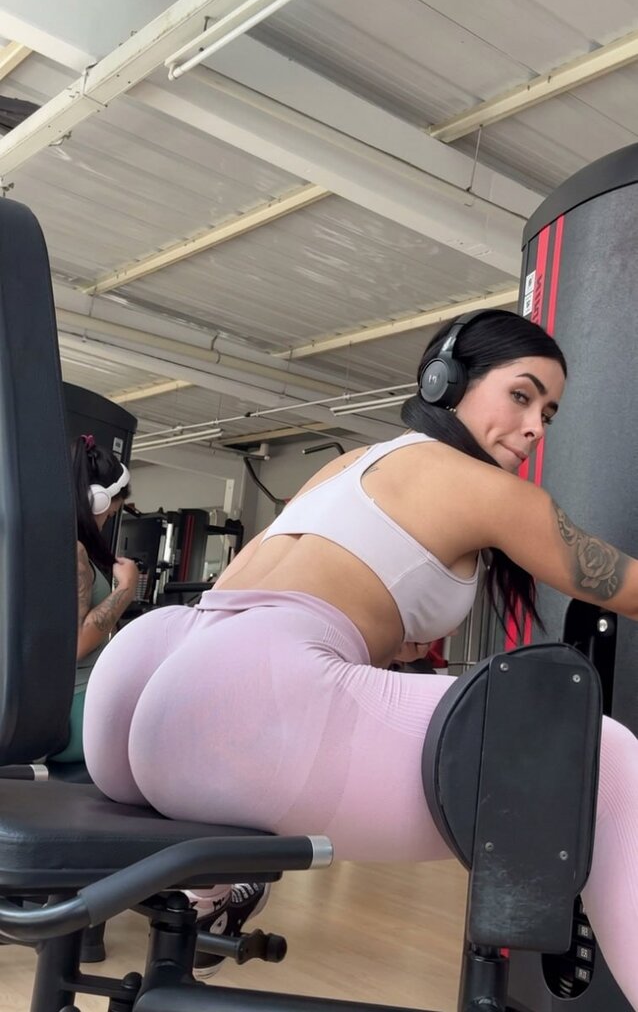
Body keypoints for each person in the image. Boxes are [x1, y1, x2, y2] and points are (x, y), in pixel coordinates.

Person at [83, 310, 638, 1006]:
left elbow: (309, 590)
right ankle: (218, 877)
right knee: (604, 760)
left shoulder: (349, 464)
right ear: (445, 383)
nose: (534, 428)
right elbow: (625, 587)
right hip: (242, 701)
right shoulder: (490, 490)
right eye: (521, 395)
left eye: (547, 414)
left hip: (147, 676)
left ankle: (213, 888)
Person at [49, 435, 138, 764]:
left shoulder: (41, 544)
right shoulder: (73, 552)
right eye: (109, 515)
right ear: (95, 501)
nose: (106, 522)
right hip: (76, 712)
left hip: (58, 705)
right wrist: (125, 588)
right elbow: (75, 645)